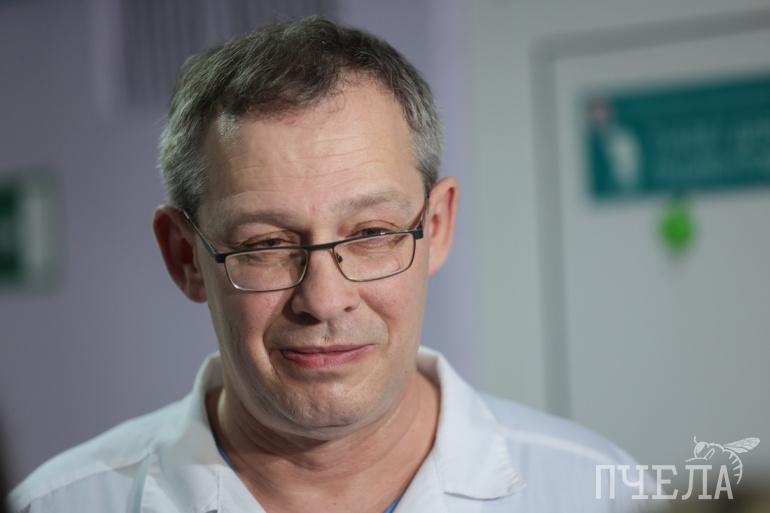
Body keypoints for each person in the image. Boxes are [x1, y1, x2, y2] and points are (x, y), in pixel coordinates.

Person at [9, 16, 650, 513]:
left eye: (371, 233)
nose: (324, 298)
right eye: (266, 244)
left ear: (437, 227)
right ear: (185, 257)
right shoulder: (60, 505)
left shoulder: (598, 492)